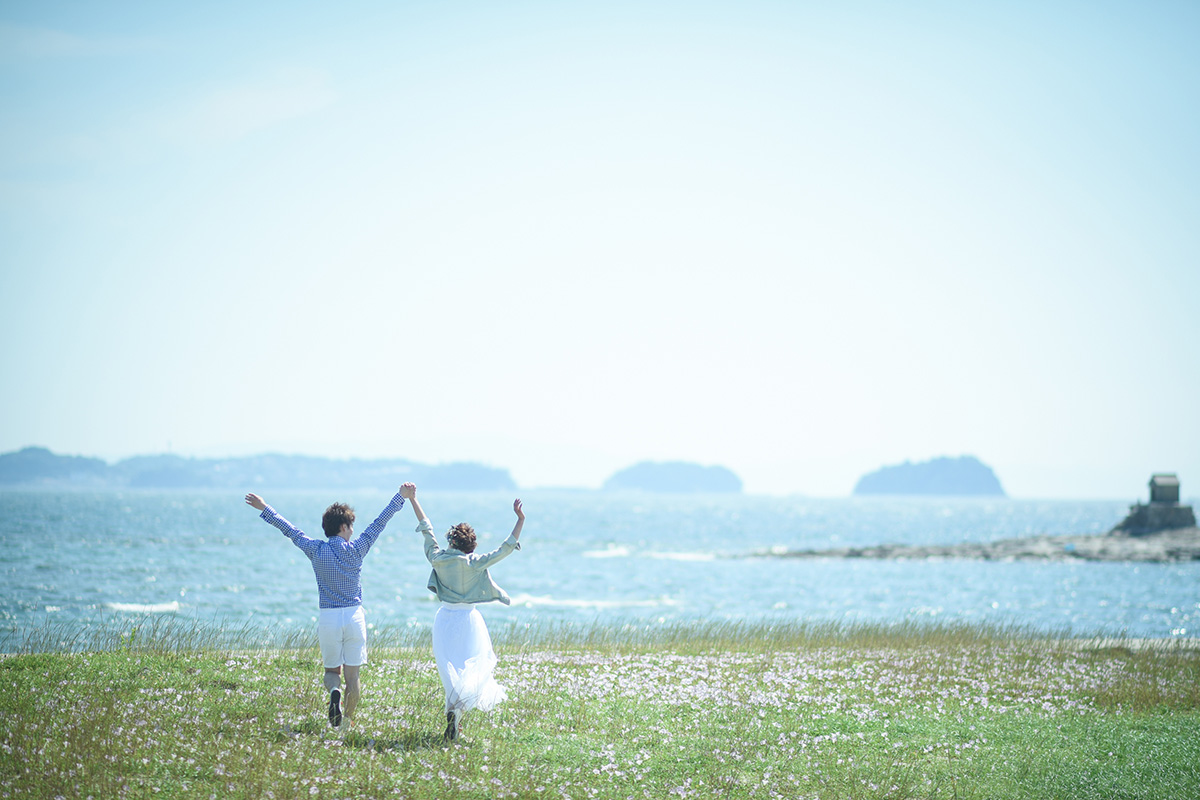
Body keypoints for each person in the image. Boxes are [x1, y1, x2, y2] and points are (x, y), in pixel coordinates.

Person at [244, 484, 408, 729]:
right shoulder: (357, 549)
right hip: (354, 617)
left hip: (329, 619)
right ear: (344, 527)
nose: (353, 531)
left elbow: (290, 530)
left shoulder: (316, 549)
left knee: (332, 671)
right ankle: (346, 726)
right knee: (353, 678)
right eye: (351, 526)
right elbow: (379, 524)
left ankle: (334, 692)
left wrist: (264, 507)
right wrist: (400, 497)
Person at [399, 483, 524, 742]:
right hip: (470, 621)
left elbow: (426, 529)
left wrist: (413, 499)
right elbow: (505, 548)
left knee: (450, 671)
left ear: (452, 541)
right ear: (471, 546)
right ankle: (456, 714)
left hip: (444, 619)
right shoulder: (475, 562)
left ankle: (452, 713)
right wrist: (520, 519)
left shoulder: (438, 558)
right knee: (470, 669)